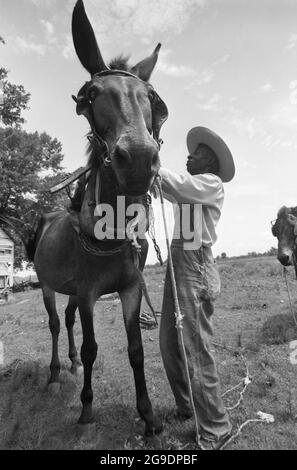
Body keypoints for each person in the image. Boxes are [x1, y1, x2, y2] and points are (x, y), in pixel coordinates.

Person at [158, 126, 235, 450]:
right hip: (180, 257)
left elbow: (172, 183)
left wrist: (149, 156)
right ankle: (187, 405)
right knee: (168, 341)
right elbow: (165, 187)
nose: (189, 155)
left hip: (195, 262)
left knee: (196, 345)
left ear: (210, 163)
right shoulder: (192, 190)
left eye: (197, 152)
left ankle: (216, 428)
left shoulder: (210, 185)